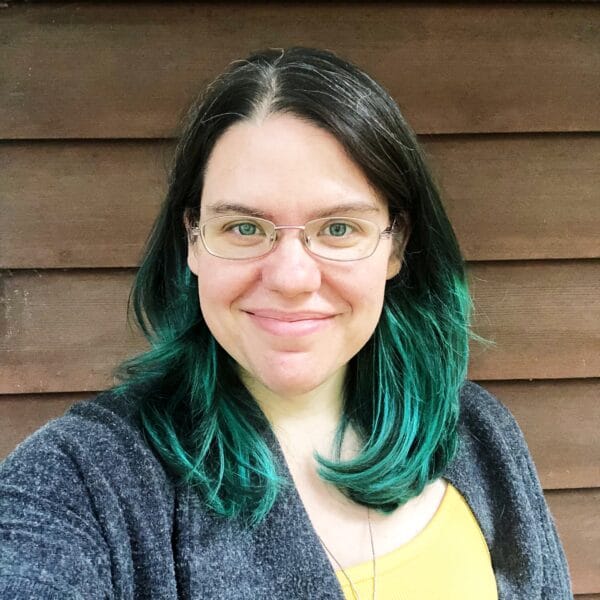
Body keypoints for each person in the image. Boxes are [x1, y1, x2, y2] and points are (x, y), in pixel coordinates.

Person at [0, 47, 571, 599]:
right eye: (245, 228)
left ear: (395, 247)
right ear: (193, 241)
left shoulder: (480, 433)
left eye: (339, 228)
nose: (292, 278)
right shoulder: (85, 479)